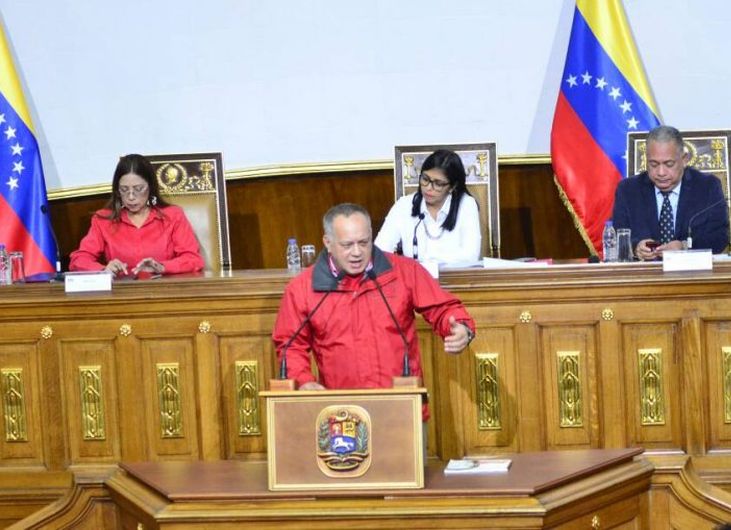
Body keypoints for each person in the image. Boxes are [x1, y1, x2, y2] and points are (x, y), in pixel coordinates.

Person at [272, 203, 475, 411]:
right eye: (347, 245)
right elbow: (290, 345)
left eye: (364, 242)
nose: (357, 252)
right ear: (328, 243)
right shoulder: (303, 288)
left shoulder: (404, 271)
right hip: (340, 413)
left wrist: (460, 328)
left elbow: (443, 308)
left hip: (402, 407)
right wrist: (304, 381)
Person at [69, 154, 204, 276]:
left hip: (164, 293)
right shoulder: (103, 220)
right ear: (117, 190)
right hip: (121, 295)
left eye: (139, 189)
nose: (131, 197)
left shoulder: (172, 215)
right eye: (124, 190)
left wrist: (161, 267)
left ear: (150, 187)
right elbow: (79, 260)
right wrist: (104, 270)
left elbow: (193, 259)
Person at [613, 125, 729, 260]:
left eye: (669, 164)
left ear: (684, 159)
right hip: (644, 275)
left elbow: (720, 236)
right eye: (654, 164)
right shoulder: (628, 190)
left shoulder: (707, 186)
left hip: (693, 274)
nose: (661, 173)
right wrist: (635, 247)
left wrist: (685, 246)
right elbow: (618, 234)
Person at [375, 149, 481, 265]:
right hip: (414, 280)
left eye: (438, 184)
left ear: (452, 186)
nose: (429, 188)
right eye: (425, 179)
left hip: (455, 280)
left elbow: (470, 256)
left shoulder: (466, 205)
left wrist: (425, 261)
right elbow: (381, 250)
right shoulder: (404, 205)